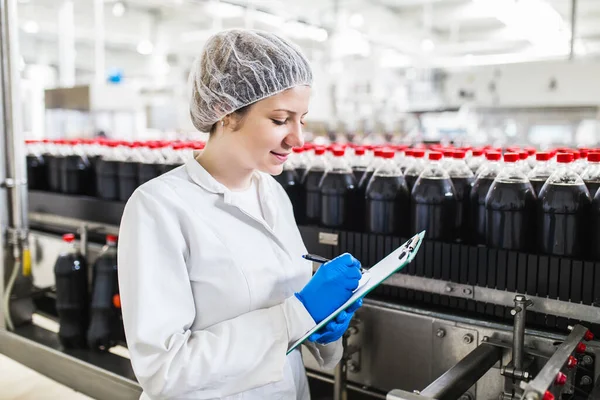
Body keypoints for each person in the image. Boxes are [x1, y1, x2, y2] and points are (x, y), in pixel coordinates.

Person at [117, 28, 364, 400]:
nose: (298, 139)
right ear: (225, 112)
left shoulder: (273, 193)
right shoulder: (158, 207)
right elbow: (163, 371)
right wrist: (298, 314)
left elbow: (287, 307)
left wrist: (324, 323)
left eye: (302, 120)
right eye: (281, 120)